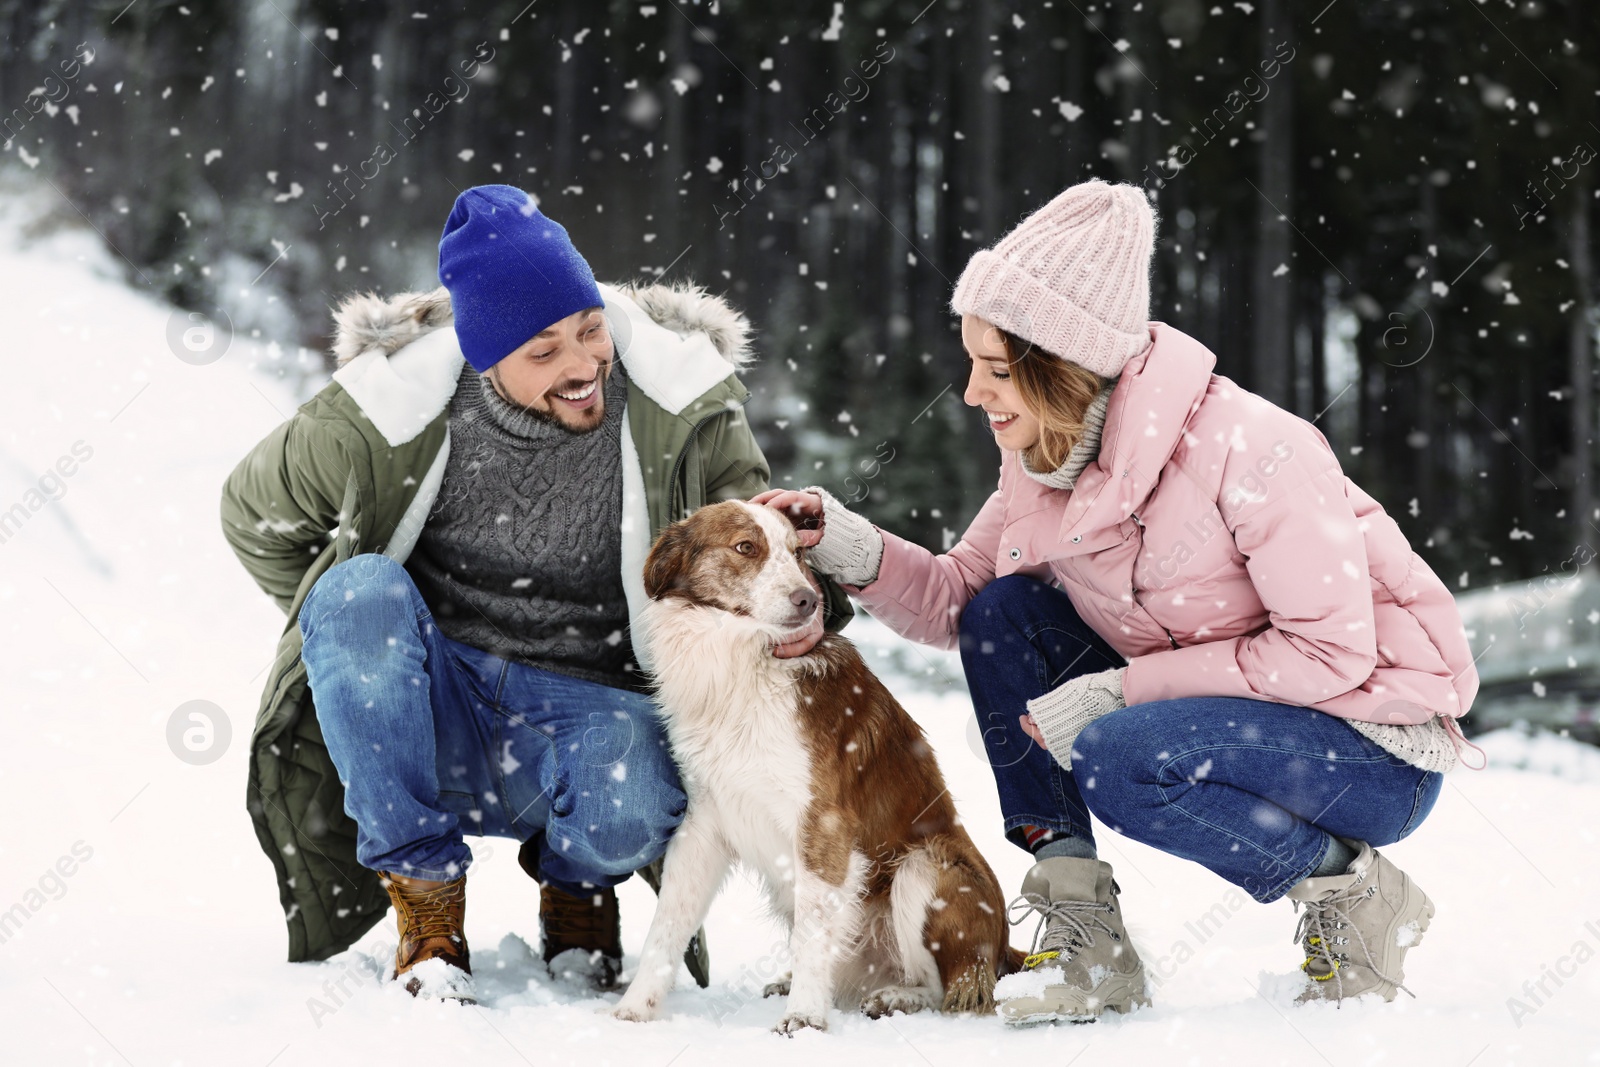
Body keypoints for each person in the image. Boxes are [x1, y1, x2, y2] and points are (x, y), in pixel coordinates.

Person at [759, 180, 1477, 1022]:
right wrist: (845, 544)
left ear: (1064, 370)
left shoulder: (1255, 447)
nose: (972, 393)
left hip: (1367, 750)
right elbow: (959, 602)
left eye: (996, 371)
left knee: (1119, 754)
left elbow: (1329, 655)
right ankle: (1086, 935)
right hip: (1223, 715)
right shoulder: (1043, 462)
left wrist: (1121, 689)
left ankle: (1351, 891)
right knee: (1003, 619)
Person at [222, 184, 847, 999]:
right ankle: (426, 899)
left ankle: (577, 885)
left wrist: (815, 588)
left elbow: (748, 545)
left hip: (591, 705)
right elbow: (252, 512)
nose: (583, 366)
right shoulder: (389, 414)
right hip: (438, 699)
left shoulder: (674, 406)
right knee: (354, 597)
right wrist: (357, 654)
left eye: (589, 331)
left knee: (634, 795)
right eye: (543, 351)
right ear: (485, 355)